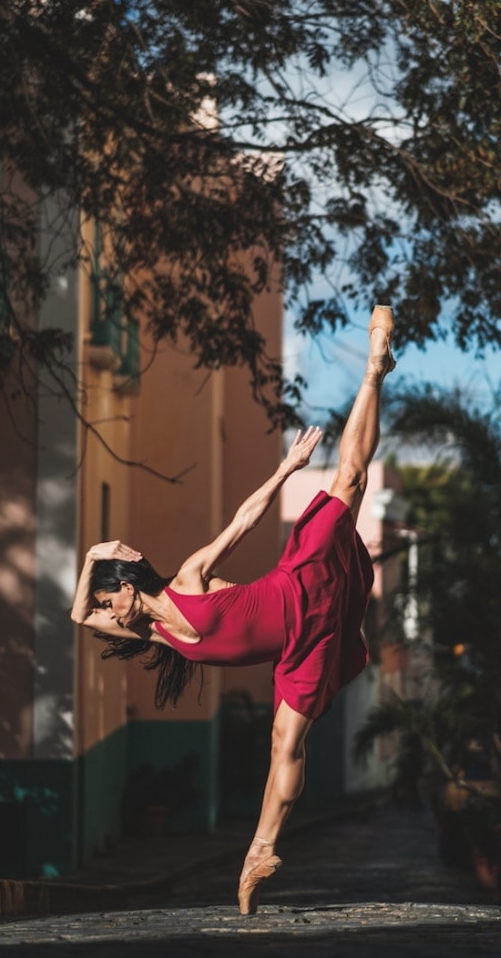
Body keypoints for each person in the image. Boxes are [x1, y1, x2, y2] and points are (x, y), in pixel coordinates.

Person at [70, 304, 396, 914]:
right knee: (284, 745)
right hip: (305, 646)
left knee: (348, 480)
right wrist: (90, 558)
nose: (105, 610)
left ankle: (375, 368)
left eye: (108, 596)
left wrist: (285, 468)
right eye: (104, 601)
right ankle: (260, 853)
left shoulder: (191, 579)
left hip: (301, 579)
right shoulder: (163, 639)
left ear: (129, 584)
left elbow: (242, 521)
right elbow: (75, 618)